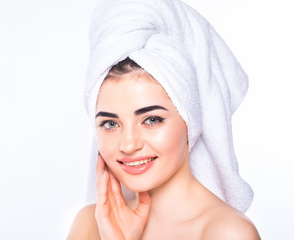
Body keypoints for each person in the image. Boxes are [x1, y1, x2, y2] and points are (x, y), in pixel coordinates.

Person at [68, 0, 260, 239]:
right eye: (111, 124)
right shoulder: (90, 224)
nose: (128, 145)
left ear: (190, 120)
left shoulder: (226, 233)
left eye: (151, 120)